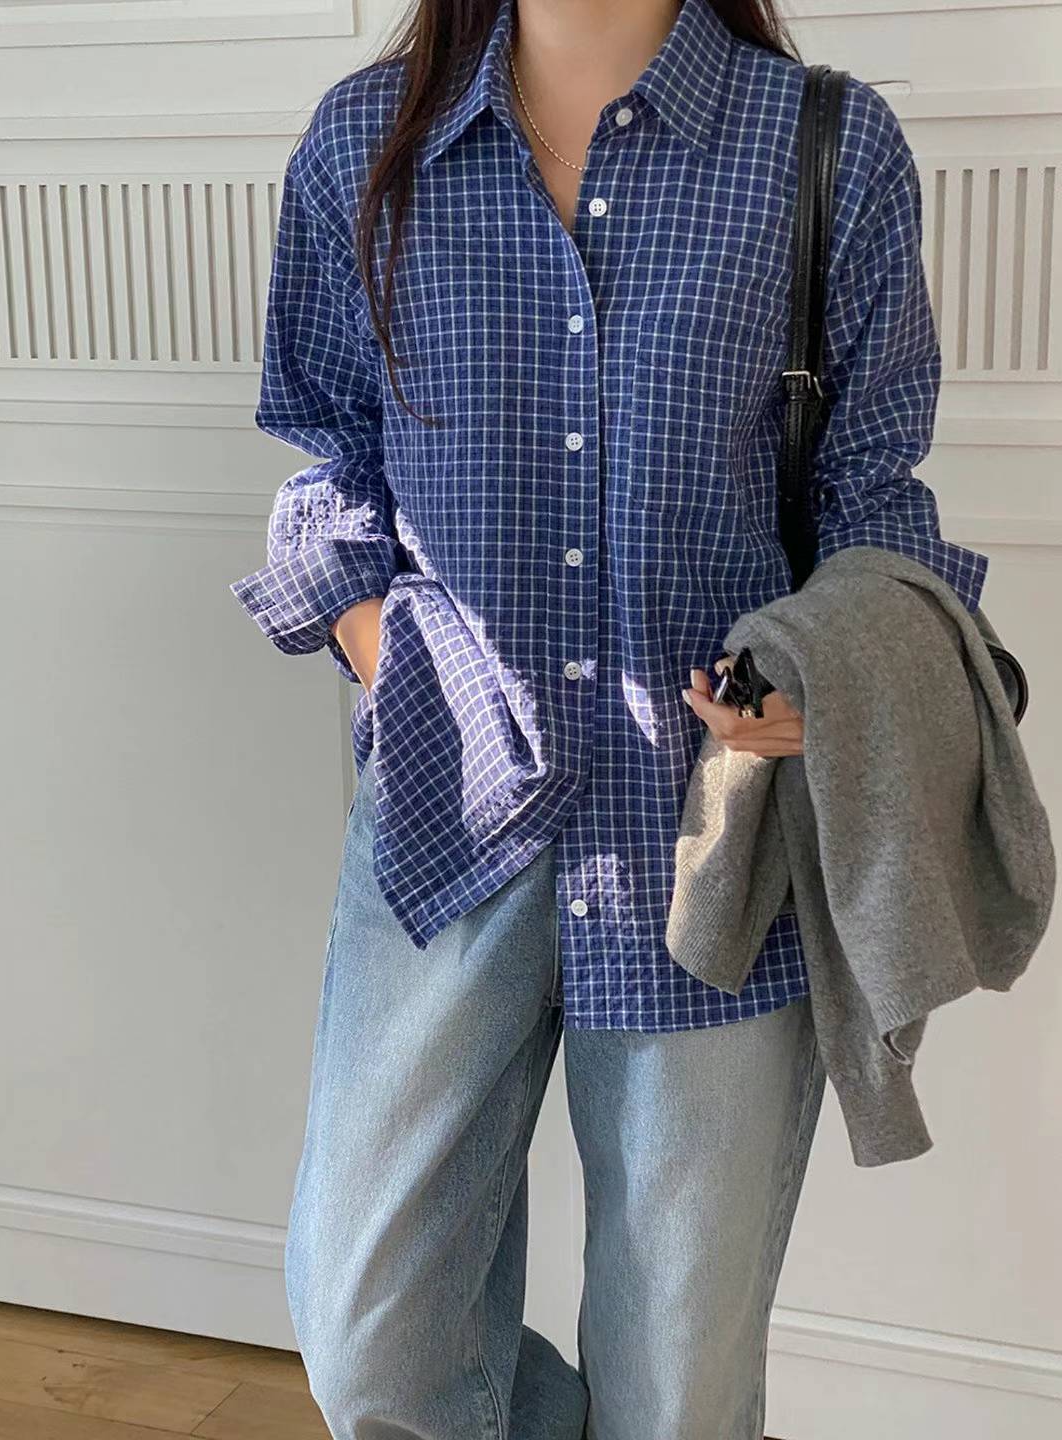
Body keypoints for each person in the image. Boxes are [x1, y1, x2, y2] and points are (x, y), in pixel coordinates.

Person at [229, 2, 989, 1436]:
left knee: (676, 1394)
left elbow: (875, 496)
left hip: (708, 847)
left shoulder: (821, 147)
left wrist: (816, 678)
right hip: (449, 813)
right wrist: (385, 648)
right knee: (370, 1338)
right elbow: (330, 455)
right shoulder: (365, 144)